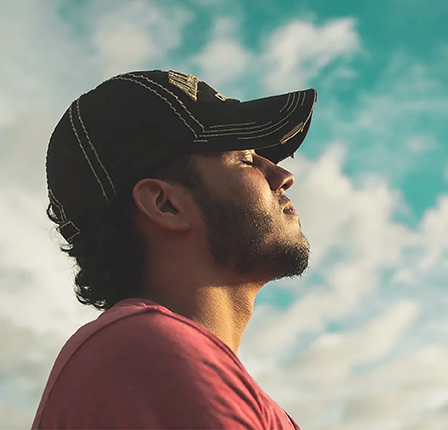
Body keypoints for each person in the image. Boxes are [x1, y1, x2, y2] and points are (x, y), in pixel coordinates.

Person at [32, 69, 316, 429]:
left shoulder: (163, 360)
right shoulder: (148, 352)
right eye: (246, 159)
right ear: (165, 204)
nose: (281, 175)